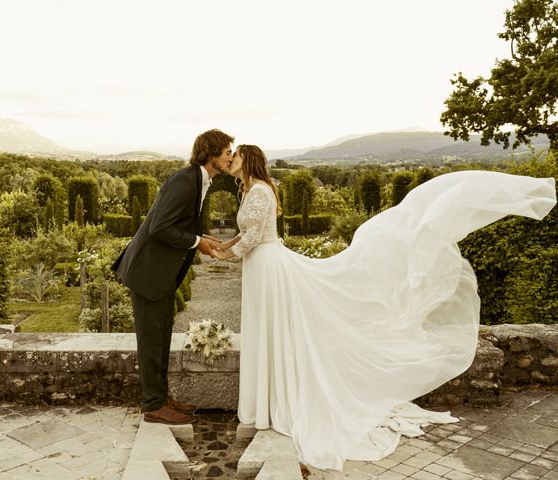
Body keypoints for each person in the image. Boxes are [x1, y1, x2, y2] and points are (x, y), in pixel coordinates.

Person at [212, 144, 556, 470]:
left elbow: (255, 238)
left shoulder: (258, 191)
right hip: (261, 265)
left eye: (237, 154)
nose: (233, 158)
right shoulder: (251, 190)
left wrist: (221, 253)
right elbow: (248, 233)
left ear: (250, 159)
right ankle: (270, 402)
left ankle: (274, 404)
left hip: (267, 264)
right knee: (267, 328)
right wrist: (222, 244)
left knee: (271, 327)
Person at [112, 129, 234, 425]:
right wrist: (197, 242)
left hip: (162, 276)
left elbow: (176, 225)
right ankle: (153, 405)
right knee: (151, 341)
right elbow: (160, 227)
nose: (231, 157)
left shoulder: (200, 180)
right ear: (212, 153)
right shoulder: (184, 181)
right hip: (148, 274)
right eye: (228, 152)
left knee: (162, 337)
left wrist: (200, 236)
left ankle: (162, 398)